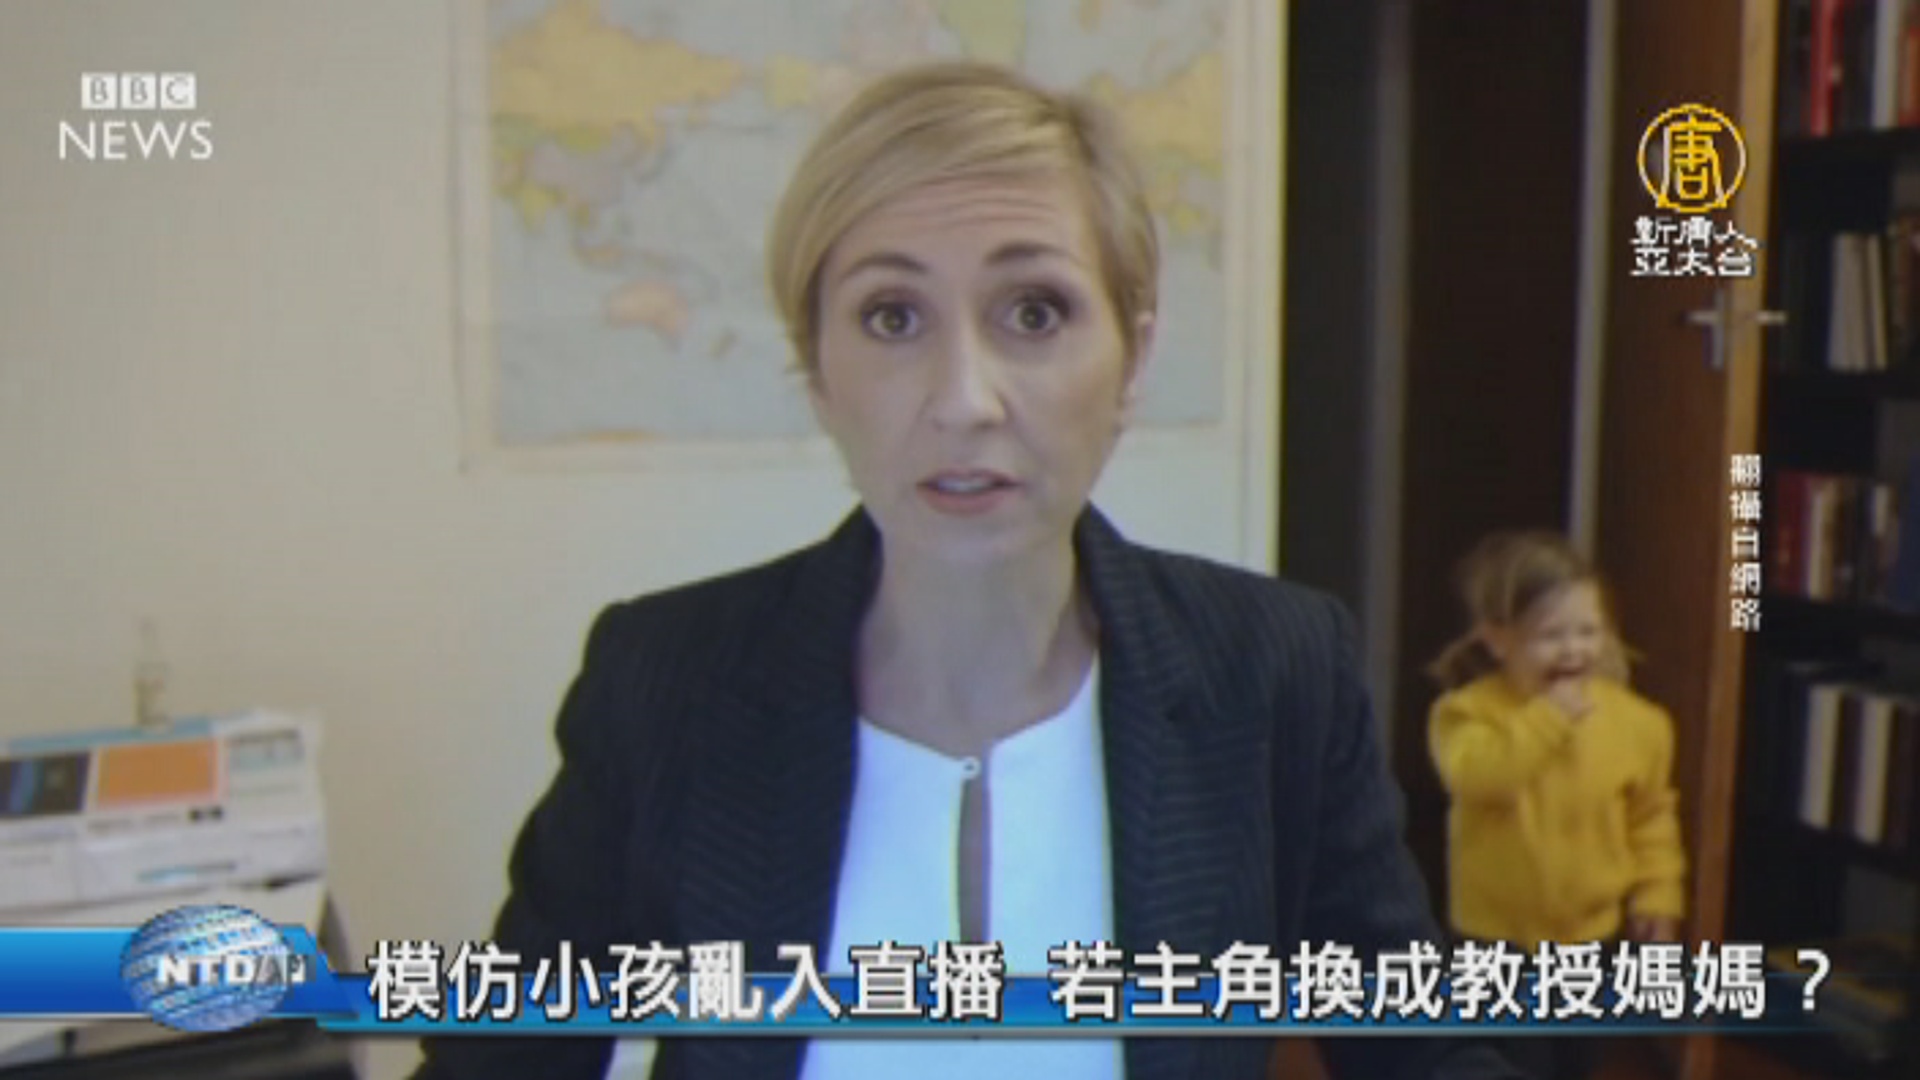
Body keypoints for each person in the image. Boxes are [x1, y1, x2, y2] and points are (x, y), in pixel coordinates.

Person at [414, 61, 1521, 1080]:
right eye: (892, 316)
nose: (963, 399)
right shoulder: (666, 680)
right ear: (817, 370)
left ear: (1132, 356)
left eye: (1034, 312)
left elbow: (1426, 1054)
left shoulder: (1275, 669)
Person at [1426, 530, 1689, 1080]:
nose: (1574, 651)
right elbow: (1479, 778)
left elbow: (1652, 820)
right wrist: (1548, 719)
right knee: (1502, 1066)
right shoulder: (1467, 714)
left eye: (1588, 632)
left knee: (1576, 1062)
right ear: (1498, 639)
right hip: (1494, 941)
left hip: (1591, 937)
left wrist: (1658, 895)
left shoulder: (1640, 724)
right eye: (1551, 636)